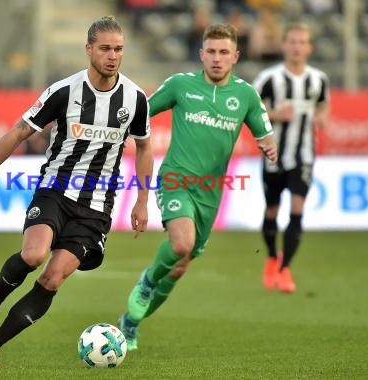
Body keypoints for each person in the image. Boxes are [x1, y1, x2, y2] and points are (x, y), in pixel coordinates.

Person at [0, 16, 153, 367]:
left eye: (118, 49)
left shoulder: (134, 98)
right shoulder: (64, 92)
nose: (112, 56)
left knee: (52, 277)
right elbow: (17, 133)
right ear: (89, 49)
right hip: (55, 190)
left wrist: (142, 200)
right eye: (105, 48)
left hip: (97, 207)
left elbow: (145, 148)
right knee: (33, 256)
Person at [117, 23, 278, 351]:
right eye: (211, 52)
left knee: (179, 267)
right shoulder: (180, 85)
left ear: (236, 56)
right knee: (181, 244)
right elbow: (143, 111)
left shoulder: (245, 95)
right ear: (201, 54)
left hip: (211, 192)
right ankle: (147, 282)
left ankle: (131, 323)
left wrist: (268, 145)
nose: (217, 59)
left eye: (224, 53)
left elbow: (265, 131)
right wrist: (120, 133)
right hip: (176, 179)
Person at [252, 22, 330, 293]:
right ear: (284, 45)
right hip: (274, 154)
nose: (297, 47)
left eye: (302, 42)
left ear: (309, 47)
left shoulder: (318, 79)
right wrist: (273, 114)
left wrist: (321, 119)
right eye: (292, 42)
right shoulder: (268, 78)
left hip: (304, 155)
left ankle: (285, 271)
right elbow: (250, 109)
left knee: (297, 209)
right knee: (272, 210)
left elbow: (323, 106)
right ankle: (272, 258)